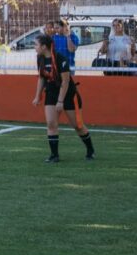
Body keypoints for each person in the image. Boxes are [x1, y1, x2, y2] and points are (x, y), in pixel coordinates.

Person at [33, 34, 95, 163]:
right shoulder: (40, 58)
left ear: (44, 47)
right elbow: (41, 77)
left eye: (36, 45)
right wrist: (37, 96)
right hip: (51, 93)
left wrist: (60, 101)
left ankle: (90, 150)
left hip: (68, 94)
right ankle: (54, 155)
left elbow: (65, 82)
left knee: (77, 126)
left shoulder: (61, 58)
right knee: (51, 123)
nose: (34, 47)